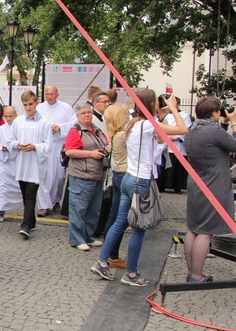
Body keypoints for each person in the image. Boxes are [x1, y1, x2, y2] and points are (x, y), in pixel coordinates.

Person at [92, 90, 187, 287]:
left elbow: (160, 140)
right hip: (141, 180)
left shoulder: (132, 124)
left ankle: (102, 262)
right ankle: (131, 273)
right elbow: (183, 129)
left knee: (120, 221)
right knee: (139, 228)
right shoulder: (147, 125)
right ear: (151, 103)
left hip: (129, 177)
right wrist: (172, 108)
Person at [183, 97, 236, 282]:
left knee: (193, 228)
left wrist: (223, 124)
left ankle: (191, 272)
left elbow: (215, 143)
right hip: (214, 185)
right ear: (214, 112)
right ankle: (197, 275)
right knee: (206, 231)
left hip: (196, 183)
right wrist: (235, 124)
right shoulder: (213, 131)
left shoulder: (191, 131)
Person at [65, 104, 110, 251]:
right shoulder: (76, 131)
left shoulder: (96, 130)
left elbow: (106, 143)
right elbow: (70, 152)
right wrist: (91, 154)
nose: (87, 115)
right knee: (79, 208)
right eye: (83, 113)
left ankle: (88, 236)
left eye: (89, 112)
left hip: (97, 175)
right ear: (78, 116)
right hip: (82, 175)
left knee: (94, 209)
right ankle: (77, 239)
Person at [9, 90, 53, 239]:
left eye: (31, 104)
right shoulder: (18, 122)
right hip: (22, 164)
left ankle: (26, 225)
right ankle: (31, 222)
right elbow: (10, 140)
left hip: (35, 165)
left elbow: (48, 146)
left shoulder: (44, 123)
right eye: (25, 105)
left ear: (36, 103)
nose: (28, 108)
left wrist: (35, 147)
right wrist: (17, 145)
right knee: (25, 194)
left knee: (30, 195)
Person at [36, 85, 76, 216]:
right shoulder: (40, 108)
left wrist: (59, 127)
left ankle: (55, 200)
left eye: (51, 94)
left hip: (58, 146)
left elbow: (73, 124)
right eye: (47, 94)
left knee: (58, 177)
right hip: (44, 146)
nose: (49, 96)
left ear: (57, 95)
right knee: (44, 176)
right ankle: (44, 205)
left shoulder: (66, 108)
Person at [101, 103, 132, 269]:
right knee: (119, 219)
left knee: (115, 217)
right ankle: (111, 255)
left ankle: (110, 254)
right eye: (126, 114)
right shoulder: (122, 135)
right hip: (124, 175)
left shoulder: (115, 134)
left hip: (118, 175)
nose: (129, 116)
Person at [0, 106, 21, 221]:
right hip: (5, 163)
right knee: (3, 188)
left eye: (11, 116)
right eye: (6, 116)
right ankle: (0, 210)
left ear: (16, 115)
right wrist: (3, 148)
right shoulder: (1, 129)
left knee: (21, 188)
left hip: (19, 163)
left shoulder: (21, 128)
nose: (8, 119)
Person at [162, 96, 192, 194]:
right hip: (168, 144)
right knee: (168, 165)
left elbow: (186, 128)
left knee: (178, 167)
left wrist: (176, 137)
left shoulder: (185, 115)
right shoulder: (167, 116)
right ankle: (165, 184)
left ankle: (177, 186)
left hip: (179, 144)